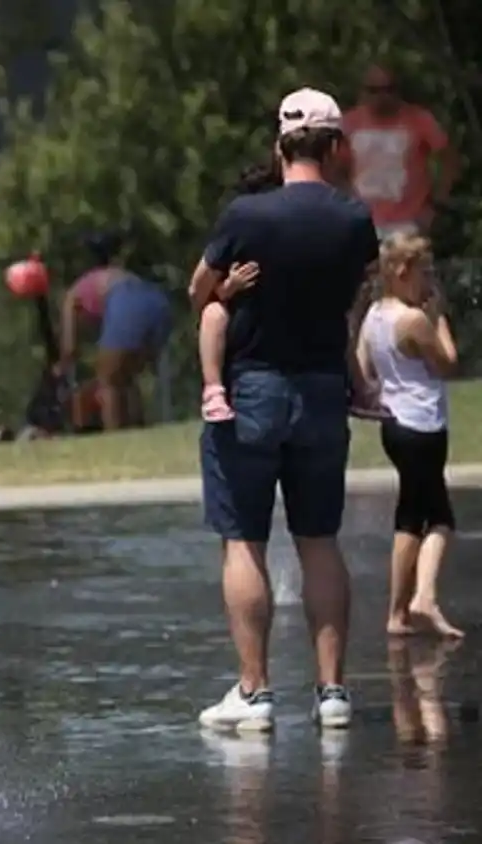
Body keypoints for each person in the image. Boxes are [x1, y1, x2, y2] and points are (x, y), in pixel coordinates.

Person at [191, 88, 378, 732]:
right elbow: (357, 299)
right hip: (325, 389)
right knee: (319, 540)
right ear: (333, 147)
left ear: (280, 145)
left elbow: (199, 292)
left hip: (252, 390)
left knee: (244, 538)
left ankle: (255, 692)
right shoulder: (355, 219)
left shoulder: (248, 214)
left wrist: (225, 291)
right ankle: (332, 694)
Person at [355, 233, 462, 639]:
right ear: (402, 271)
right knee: (440, 518)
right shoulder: (414, 320)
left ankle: (396, 613)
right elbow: (448, 364)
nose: (429, 281)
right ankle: (425, 597)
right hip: (424, 425)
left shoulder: (373, 316)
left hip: (393, 426)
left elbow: (365, 374)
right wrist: (439, 317)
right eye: (424, 271)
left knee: (409, 515)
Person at [57, 230, 172, 430]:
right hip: (157, 303)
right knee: (126, 378)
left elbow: (69, 348)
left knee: (108, 382)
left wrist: (61, 368)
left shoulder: (74, 292)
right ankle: (137, 429)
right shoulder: (122, 275)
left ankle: (114, 433)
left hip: (125, 301)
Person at [198, 164, 281, 420]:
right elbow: (207, 289)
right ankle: (213, 390)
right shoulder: (235, 231)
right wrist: (229, 287)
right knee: (212, 314)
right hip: (236, 310)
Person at [344, 65, 458, 239]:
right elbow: (330, 166)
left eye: (388, 89)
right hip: (360, 222)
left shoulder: (419, 119)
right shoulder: (348, 123)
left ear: (398, 91)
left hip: (408, 224)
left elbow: (449, 159)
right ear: (363, 92)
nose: (381, 97)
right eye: (373, 90)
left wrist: (436, 206)